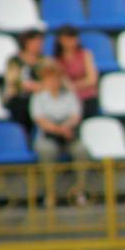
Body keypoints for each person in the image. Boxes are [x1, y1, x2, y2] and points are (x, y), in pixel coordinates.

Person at [29, 64, 90, 204]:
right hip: (49, 135)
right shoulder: (38, 97)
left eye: (55, 78)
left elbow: (75, 116)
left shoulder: (70, 95)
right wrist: (59, 130)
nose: (53, 82)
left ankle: (80, 191)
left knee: (81, 150)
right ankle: (50, 193)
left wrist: (65, 128)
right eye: (49, 79)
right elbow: (41, 120)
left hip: (68, 135)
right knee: (46, 151)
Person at [3, 29, 48, 136]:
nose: (39, 45)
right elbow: (12, 81)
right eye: (35, 42)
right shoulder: (14, 61)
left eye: (40, 42)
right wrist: (26, 86)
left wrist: (40, 87)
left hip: (39, 97)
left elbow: (52, 79)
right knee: (21, 106)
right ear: (26, 43)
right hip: (19, 97)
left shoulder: (45, 61)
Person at [53, 25, 100, 119]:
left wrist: (73, 86)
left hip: (87, 97)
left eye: (72, 38)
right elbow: (61, 80)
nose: (70, 42)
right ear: (60, 40)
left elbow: (92, 79)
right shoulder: (56, 60)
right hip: (67, 99)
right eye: (66, 38)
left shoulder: (85, 55)